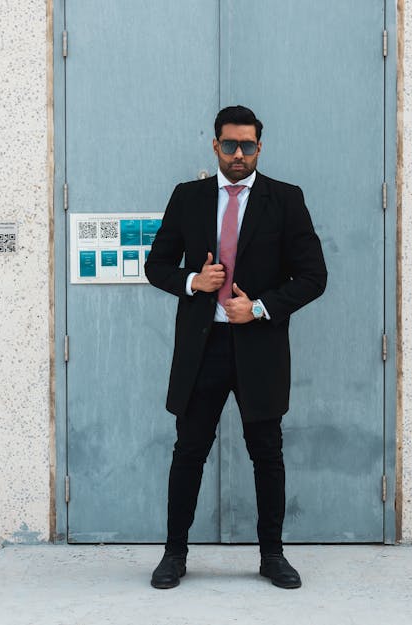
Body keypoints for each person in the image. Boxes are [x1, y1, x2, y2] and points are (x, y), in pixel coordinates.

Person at [145, 105, 327, 589]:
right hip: (203, 348)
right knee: (189, 451)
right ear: (215, 146)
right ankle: (174, 554)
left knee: (267, 453)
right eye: (230, 145)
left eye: (248, 146)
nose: (239, 154)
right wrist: (192, 281)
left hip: (259, 346)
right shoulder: (187, 198)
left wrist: (261, 307)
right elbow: (156, 265)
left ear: (260, 148)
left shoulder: (285, 200)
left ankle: (273, 555)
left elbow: (314, 277)